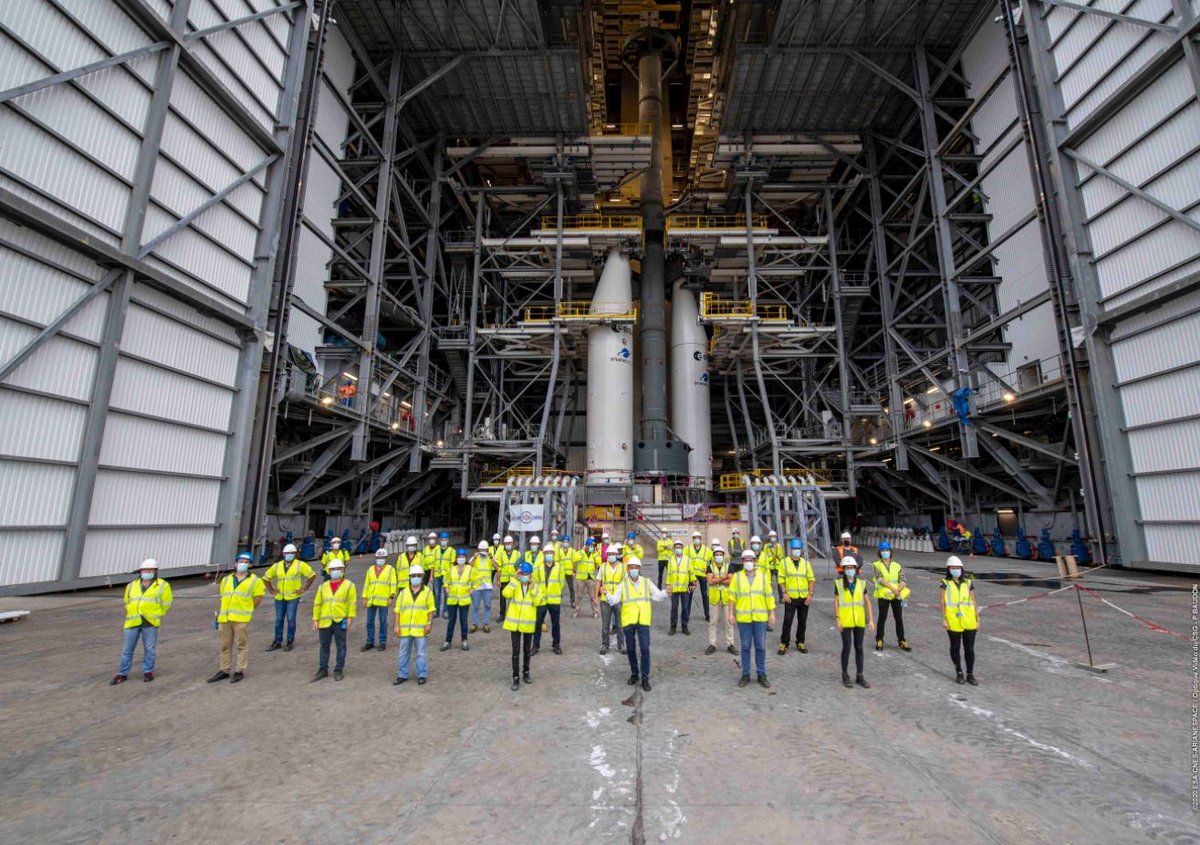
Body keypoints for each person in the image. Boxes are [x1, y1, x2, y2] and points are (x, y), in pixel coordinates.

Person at [603, 558, 668, 691]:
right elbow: (614, 600)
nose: (633, 570)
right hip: (628, 621)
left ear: (639, 569)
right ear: (627, 570)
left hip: (643, 620)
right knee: (631, 649)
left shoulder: (646, 582)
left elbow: (658, 596)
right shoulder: (623, 584)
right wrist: (606, 594)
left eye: (635, 567)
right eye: (631, 567)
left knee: (644, 648)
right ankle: (634, 674)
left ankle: (645, 678)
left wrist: (666, 593)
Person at [111, 559, 173, 684]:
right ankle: (122, 674)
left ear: (156, 571)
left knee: (149, 649)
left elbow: (166, 602)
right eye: (145, 570)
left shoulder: (162, 585)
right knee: (127, 651)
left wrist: (156, 613)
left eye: (151, 570)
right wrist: (133, 611)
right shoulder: (132, 585)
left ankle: (148, 672)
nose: (148, 572)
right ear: (140, 571)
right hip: (132, 621)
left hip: (150, 622)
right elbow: (127, 601)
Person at [208, 553, 265, 683]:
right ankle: (224, 670)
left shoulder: (255, 581)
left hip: (241, 618)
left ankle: (239, 670)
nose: (243, 564)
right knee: (225, 645)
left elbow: (258, 598)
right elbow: (223, 596)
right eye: (241, 561)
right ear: (235, 563)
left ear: (250, 564)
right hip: (225, 617)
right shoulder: (226, 580)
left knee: (241, 645)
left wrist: (247, 609)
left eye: (246, 562)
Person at [728, 549, 776, 688]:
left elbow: (769, 595)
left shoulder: (762, 577)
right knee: (745, 646)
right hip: (744, 619)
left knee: (760, 646)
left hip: (760, 618)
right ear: (742, 562)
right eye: (746, 560)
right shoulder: (736, 577)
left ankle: (761, 673)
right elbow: (732, 597)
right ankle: (746, 674)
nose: (748, 562)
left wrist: (772, 612)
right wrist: (730, 613)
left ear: (755, 561)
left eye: (751, 559)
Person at [263, 543, 315, 652]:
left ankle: (290, 641)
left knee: (291, 619)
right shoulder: (277, 566)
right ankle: (277, 641)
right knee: (279, 619)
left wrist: (304, 589)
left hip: (293, 596)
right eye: (288, 553)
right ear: (283, 554)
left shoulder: (300, 565)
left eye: (292, 553)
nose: (290, 555)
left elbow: (311, 575)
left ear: (295, 554)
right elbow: (266, 577)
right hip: (280, 597)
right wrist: (271, 590)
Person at [311, 559, 357, 681]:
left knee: (341, 646)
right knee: (324, 646)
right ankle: (323, 669)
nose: (335, 571)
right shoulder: (322, 587)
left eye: (338, 569)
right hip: (324, 621)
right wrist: (315, 620)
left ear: (342, 570)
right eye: (332, 570)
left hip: (340, 620)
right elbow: (317, 603)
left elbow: (352, 603)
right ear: (329, 571)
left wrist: (350, 618)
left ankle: (338, 669)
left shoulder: (349, 585)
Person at [834, 557, 874, 689]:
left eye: (852, 568)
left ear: (856, 569)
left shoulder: (862, 584)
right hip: (845, 620)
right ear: (844, 570)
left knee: (859, 648)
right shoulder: (839, 584)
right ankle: (845, 675)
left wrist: (871, 620)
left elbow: (867, 601)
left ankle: (860, 675)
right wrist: (837, 618)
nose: (850, 570)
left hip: (859, 620)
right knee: (846, 647)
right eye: (847, 568)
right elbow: (836, 601)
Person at [393, 564, 435, 686]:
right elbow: (397, 610)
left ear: (422, 577)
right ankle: (402, 675)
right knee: (403, 653)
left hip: (420, 630)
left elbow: (430, 610)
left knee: (421, 653)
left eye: (418, 575)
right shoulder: (403, 593)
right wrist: (396, 625)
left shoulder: (427, 592)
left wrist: (429, 624)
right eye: (413, 575)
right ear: (409, 577)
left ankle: (422, 674)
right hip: (405, 630)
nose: (415, 577)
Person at [941, 556, 979, 685]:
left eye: (958, 568)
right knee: (955, 647)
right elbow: (942, 602)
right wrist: (944, 619)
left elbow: (974, 601)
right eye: (953, 568)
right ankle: (959, 672)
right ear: (949, 569)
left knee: (969, 648)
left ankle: (970, 674)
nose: (956, 570)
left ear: (961, 569)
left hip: (969, 620)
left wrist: (977, 619)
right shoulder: (945, 583)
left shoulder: (968, 583)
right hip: (953, 620)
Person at [503, 562, 541, 690]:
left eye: (527, 574)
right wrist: (514, 580)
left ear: (531, 575)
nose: (525, 576)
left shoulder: (534, 587)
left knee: (526, 651)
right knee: (515, 652)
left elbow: (538, 601)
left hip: (528, 624)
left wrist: (533, 587)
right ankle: (515, 677)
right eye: (522, 574)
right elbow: (505, 594)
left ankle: (526, 673)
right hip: (515, 625)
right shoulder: (515, 585)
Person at [872, 541, 911, 652]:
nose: (885, 552)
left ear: (890, 552)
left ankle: (902, 640)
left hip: (896, 595)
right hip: (884, 595)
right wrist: (894, 589)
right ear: (880, 552)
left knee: (898, 618)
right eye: (883, 550)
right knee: (882, 618)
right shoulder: (876, 565)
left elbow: (903, 579)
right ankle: (879, 639)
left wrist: (899, 589)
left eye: (887, 550)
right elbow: (880, 579)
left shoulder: (897, 565)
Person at [777, 539, 815, 654]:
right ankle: (784, 643)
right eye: (794, 549)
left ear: (801, 550)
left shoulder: (806, 563)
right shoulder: (784, 562)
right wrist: (784, 593)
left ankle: (800, 642)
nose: (796, 551)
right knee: (787, 620)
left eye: (798, 549)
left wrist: (810, 594)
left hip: (804, 598)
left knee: (802, 621)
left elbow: (811, 579)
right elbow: (781, 578)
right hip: (790, 597)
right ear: (791, 550)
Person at [360, 547, 396, 651]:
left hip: (384, 600)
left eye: (382, 557)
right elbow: (366, 584)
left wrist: (391, 597)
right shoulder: (370, 569)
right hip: (371, 599)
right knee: (369, 622)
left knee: (383, 621)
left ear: (385, 558)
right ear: (376, 558)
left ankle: (382, 642)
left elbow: (393, 583)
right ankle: (370, 641)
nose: (380, 559)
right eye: (379, 557)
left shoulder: (390, 570)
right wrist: (364, 597)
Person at [532, 546, 565, 655]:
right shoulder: (538, 568)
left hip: (554, 600)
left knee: (556, 624)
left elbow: (561, 583)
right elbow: (534, 583)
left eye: (551, 552)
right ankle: (535, 645)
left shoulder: (559, 568)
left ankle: (556, 644)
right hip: (541, 600)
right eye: (547, 553)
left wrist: (556, 592)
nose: (549, 554)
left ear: (554, 554)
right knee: (538, 623)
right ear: (544, 554)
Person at [441, 549, 473, 652]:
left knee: (463, 620)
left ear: (466, 558)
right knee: (451, 621)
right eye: (459, 557)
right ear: (456, 558)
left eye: (463, 557)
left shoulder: (470, 569)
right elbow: (445, 580)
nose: (461, 559)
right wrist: (447, 589)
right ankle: (448, 641)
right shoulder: (451, 569)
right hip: (452, 599)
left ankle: (464, 640)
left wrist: (471, 590)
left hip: (464, 600)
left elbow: (478, 580)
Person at [704, 546, 735, 655]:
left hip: (726, 598)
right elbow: (710, 581)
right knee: (713, 622)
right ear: (714, 556)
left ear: (723, 555)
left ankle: (730, 644)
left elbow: (731, 581)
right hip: (714, 598)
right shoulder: (710, 567)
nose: (718, 556)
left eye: (720, 554)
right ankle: (712, 644)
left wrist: (717, 580)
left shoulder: (728, 566)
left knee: (729, 622)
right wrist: (723, 578)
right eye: (716, 555)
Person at [597, 544, 626, 654]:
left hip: (618, 600)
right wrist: (596, 596)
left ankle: (621, 645)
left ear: (616, 555)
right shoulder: (603, 567)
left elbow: (626, 584)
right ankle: (605, 645)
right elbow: (598, 581)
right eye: (609, 554)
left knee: (620, 624)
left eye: (613, 554)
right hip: (605, 600)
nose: (611, 556)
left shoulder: (623, 567)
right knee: (605, 624)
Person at [666, 539, 695, 636]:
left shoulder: (688, 560)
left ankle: (684, 626)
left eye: (679, 547)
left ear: (682, 548)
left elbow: (691, 572)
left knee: (685, 608)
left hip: (684, 588)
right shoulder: (670, 560)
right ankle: (673, 627)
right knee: (674, 608)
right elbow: (669, 574)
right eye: (676, 547)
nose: (678, 549)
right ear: (674, 549)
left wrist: (693, 583)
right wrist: (668, 586)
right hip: (674, 588)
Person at [686, 531, 714, 621]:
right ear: (692, 539)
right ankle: (686, 614)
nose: (696, 539)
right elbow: (683, 559)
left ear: (700, 539)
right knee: (689, 595)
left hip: (702, 575)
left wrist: (709, 570)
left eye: (698, 538)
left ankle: (707, 615)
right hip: (692, 575)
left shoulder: (706, 550)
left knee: (705, 595)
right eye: (695, 538)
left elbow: (713, 560)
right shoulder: (688, 549)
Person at [494, 535, 520, 622]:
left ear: (512, 544)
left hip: (514, 580)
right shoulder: (501, 554)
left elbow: (519, 567)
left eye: (509, 543)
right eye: (506, 543)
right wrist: (498, 580)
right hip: (504, 580)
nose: (508, 545)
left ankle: (514, 615)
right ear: (504, 544)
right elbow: (499, 568)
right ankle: (502, 615)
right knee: (502, 599)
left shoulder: (517, 554)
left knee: (514, 599)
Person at [470, 540, 494, 633]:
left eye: (485, 549)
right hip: (477, 586)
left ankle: (486, 624)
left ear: (487, 550)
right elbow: (470, 566)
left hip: (487, 586)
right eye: (481, 549)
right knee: (475, 606)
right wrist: (475, 558)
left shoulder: (490, 557)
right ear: (478, 549)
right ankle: (474, 624)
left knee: (487, 606)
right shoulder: (475, 557)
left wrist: (491, 558)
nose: (483, 551)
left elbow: (497, 567)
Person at [431, 532, 455, 618]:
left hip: (446, 576)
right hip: (437, 575)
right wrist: (431, 576)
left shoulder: (452, 551)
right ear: (439, 541)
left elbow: (452, 565)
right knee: (437, 594)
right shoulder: (436, 550)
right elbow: (433, 565)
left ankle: (446, 611)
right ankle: (436, 611)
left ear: (448, 541)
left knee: (446, 594)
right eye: (442, 540)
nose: (443, 541)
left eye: (445, 540)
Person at [576, 537, 600, 618]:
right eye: (590, 546)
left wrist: (596, 553)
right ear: (586, 546)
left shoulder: (594, 554)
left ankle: (595, 612)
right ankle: (577, 611)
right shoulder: (580, 552)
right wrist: (583, 551)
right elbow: (575, 558)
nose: (592, 548)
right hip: (580, 578)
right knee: (579, 596)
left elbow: (599, 563)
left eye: (593, 546)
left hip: (590, 578)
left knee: (593, 596)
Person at [559, 534, 577, 610]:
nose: (565, 543)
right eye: (564, 541)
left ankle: (572, 602)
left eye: (566, 541)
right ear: (562, 542)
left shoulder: (572, 551)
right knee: (559, 588)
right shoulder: (559, 551)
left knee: (571, 588)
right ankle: (557, 601)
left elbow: (574, 562)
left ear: (569, 543)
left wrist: (574, 571)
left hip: (569, 573)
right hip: (561, 573)